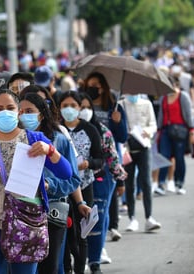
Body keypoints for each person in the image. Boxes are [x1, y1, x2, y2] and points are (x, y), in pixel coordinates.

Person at [0, 89, 72, 274]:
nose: (5, 112)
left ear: (18, 111)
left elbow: (66, 172)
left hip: (26, 223)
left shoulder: (35, 140)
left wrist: (50, 151)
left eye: (10, 107)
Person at [18, 92, 86, 274]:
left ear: (41, 113)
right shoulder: (11, 140)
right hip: (18, 213)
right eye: (20, 111)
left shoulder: (59, 140)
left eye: (29, 111)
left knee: (50, 267)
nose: (24, 115)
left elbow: (72, 180)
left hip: (52, 212)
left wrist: (49, 185)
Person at [78, 93, 127, 274]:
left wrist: (120, 179)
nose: (82, 111)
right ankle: (80, 259)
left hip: (101, 179)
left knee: (97, 221)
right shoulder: (65, 134)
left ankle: (95, 261)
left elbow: (112, 157)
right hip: (75, 184)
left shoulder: (102, 131)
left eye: (86, 107)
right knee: (79, 223)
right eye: (78, 107)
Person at [57, 91, 105, 274]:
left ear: (79, 107)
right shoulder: (57, 129)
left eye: (73, 106)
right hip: (61, 188)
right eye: (64, 106)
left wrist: (88, 163)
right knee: (65, 233)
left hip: (84, 186)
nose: (69, 109)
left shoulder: (90, 129)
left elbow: (100, 159)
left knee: (82, 232)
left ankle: (81, 267)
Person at [119, 94, 161, 232]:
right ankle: (132, 218)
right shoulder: (120, 105)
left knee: (146, 182)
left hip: (144, 146)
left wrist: (147, 131)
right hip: (127, 149)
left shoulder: (146, 104)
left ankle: (149, 217)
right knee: (129, 183)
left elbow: (153, 124)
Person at [156, 76, 194, 195]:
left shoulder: (183, 96)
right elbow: (160, 116)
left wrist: (192, 131)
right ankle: (161, 183)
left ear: (174, 85)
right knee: (164, 156)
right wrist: (158, 131)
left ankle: (179, 183)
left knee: (179, 157)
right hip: (166, 131)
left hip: (181, 131)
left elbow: (189, 115)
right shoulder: (163, 98)